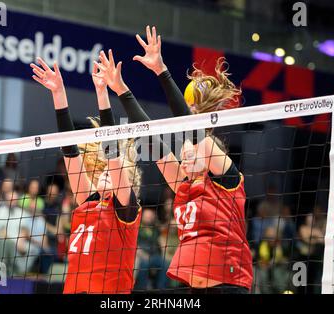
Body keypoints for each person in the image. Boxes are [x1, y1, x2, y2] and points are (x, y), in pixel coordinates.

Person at [95, 25, 252, 293]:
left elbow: (193, 130)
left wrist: (161, 70)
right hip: (195, 289)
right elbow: (151, 141)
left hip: (230, 286)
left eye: (192, 153)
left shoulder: (225, 176)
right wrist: (120, 89)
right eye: (183, 155)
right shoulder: (183, 186)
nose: (185, 157)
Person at [30, 57, 142, 294]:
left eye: (112, 171)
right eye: (104, 169)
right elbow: (70, 152)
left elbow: (112, 151)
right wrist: (59, 94)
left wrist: (102, 93)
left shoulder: (126, 209)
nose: (105, 171)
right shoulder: (88, 203)